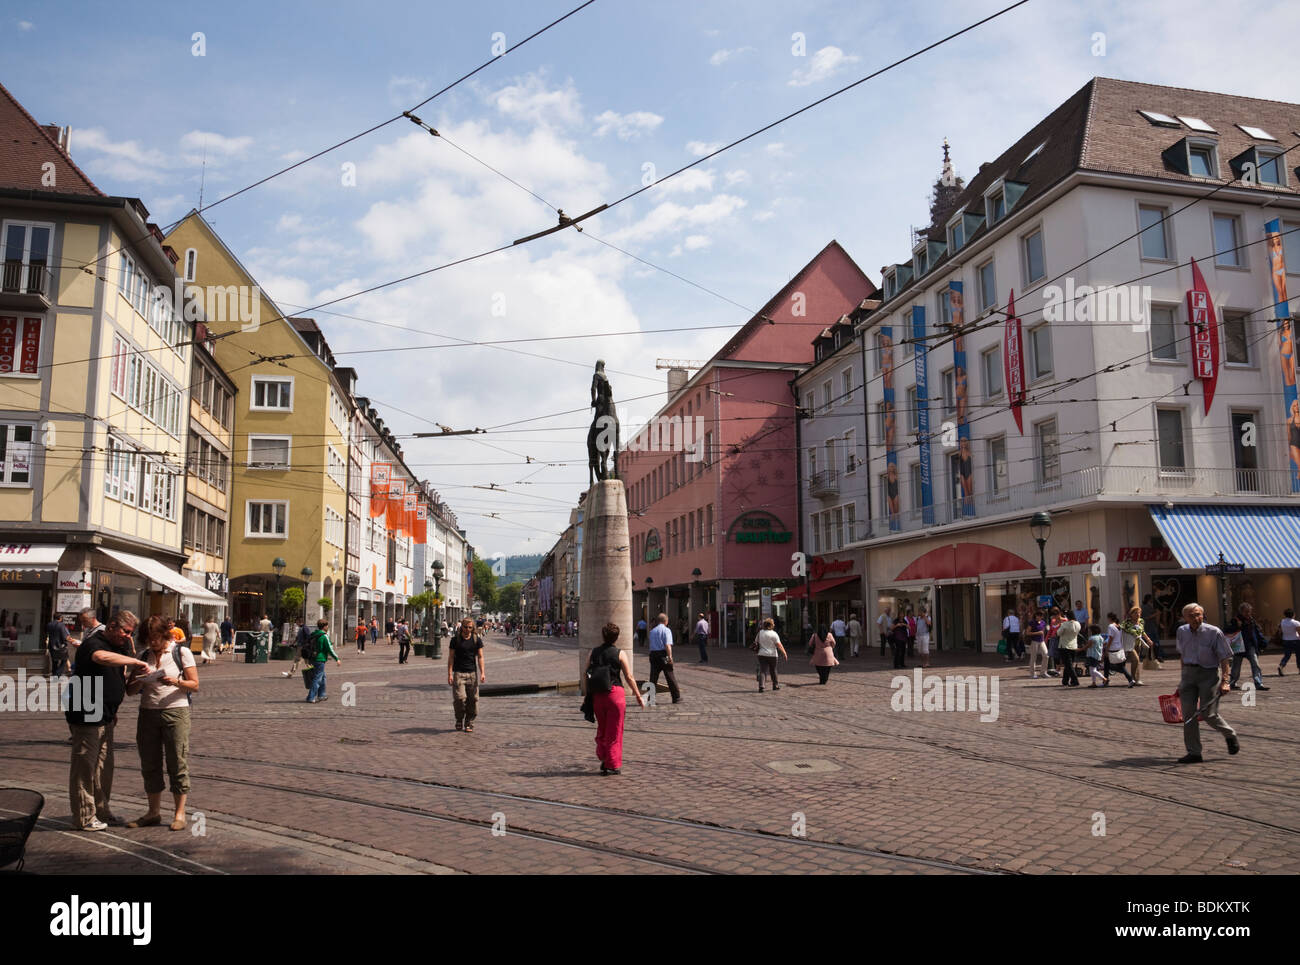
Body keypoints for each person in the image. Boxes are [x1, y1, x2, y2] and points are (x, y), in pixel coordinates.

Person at [66, 611, 149, 831]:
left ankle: (102, 811)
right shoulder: (94, 642)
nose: (128, 637)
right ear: (112, 626)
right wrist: (134, 660)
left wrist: (141, 678)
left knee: (104, 768)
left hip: (106, 714)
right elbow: (100, 658)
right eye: (126, 632)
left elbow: (124, 684)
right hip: (86, 712)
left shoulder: (120, 646)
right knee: (85, 767)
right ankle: (84, 816)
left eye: (131, 633)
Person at [124, 615, 199, 831]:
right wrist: (138, 677)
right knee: (150, 763)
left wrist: (175, 681)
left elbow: (194, 685)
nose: (153, 643)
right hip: (148, 712)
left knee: (177, 761)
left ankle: (179, 813)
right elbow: (130, 692)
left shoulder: (180, 652)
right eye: (149, 639)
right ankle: (153, 812)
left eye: (156, 638)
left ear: (164, 635)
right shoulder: (143, 655)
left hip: (175, 712)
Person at [1174, 603, 1238, 763]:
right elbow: (1182, 655)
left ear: (1203, 615)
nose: (1196, 618)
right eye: (1191, 615)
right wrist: (1182, 679)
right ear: (1185, 618)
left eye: (1198, 614)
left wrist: (1225, 681)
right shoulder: (1182, 631)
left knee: (1208, 714)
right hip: (1188, 675)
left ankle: (1229, 734)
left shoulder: (1214, 632)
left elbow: (1225, 658)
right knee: (1188, 716)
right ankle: (1194, 752)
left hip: (1208, 675)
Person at [584, 623, 646, 776]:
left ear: (602, 636)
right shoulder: (619, 653)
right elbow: (629, 676)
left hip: (598, 695)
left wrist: (588, 694)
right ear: (616, 637)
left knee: (603, 728)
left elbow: (586, 673)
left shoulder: (593, 652)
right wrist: (638, 695)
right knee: (615, 730)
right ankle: (611, 763)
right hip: (615, 694)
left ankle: (603, 755)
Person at [447, 618, 485, 731]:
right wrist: (449, 674)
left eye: (470, 627)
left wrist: (482, 672)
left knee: (473, 699)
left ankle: (469, 722)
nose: (467, 630)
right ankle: (459, 719)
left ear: (472, 628)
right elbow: (451, 657)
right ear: (461, 627)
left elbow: (480, 657)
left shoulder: (476, 639)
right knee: (459, 698)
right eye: (465, 627)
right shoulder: (455, 640)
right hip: (458, 673)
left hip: (472, 673)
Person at [1225, 603, 1269, 691]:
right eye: (1246, 612)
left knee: (1255, 664)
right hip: (1239, 647)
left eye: (1249, 612)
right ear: (1241, 612)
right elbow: (1226, 630)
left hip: (1250, 646)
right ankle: (1232, 682)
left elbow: (1257, 632)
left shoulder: (1251, 620)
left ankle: (1258, 683)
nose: (1248, 614)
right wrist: (1237, 626)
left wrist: (1263, 643)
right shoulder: (1235, 620)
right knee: (1236, 666)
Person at [647, 613, 681, 703]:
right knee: (670, 674)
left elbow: (650, 645)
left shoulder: (652, 631)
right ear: (666, 621)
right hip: (663, 655)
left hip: (654, 655)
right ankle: (676, 697)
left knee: (653, 677)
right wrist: (670, 657)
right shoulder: (666, 630)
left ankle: (651, 699)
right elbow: (667, 645)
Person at [305, 619, 340, 703]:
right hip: (320, 659)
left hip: (312, 658)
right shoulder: (324, 636)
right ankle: (311, 697)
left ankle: (322, 695)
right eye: (327, 626)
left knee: (322, 677)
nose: (328, 627)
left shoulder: (314, 634)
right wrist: (337, 658)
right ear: (324, 626)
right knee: (317, 678)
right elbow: (329, 648)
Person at [1120, 606, 1153, 687]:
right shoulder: (1126, 622)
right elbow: (1120, 628)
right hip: (1129, 645)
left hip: (1138, 644)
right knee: (1136, 660)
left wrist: (1148, 639)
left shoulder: (1141, 621)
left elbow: (1142, 632)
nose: (1138, 614)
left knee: (1136, 662)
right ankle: (1132, 678)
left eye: (1139, 613)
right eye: (1135, 613)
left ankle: (1137, 679)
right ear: (1131, 614)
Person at [1104, 612, 1135, 686]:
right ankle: (1130, 679)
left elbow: (1110, 638)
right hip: (1119, 647)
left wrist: (1107, 649)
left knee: (1108, 665)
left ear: (1110, 618)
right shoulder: (1119, 626)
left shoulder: (1111, 626)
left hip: (1112, 648)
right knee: (1109, 665)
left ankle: (1106, 681)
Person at [1056, 613, 1081, 686]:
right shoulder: (1078, 624)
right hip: (1074, 646)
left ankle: (1075, 680)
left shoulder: (1064, 624)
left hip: (1064, 646)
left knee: (1068, 665)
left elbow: (1058, 633)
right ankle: (1065, 680)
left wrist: (1060, 626)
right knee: (1068, 664)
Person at [1140, 594, 1163, 663]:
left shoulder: (1150, 606)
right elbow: (1146, 617)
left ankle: (1155, 656)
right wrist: (1156, 614)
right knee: (1151, 642)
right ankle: (1153, 656)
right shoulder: (1145, 607)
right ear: (1149, 599)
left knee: (1154, 642)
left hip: (1152, 626)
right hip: (1149, 627)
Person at [1026, 610, 1048, 678]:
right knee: (1033, 657)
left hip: (1042, 641)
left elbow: (1043, 632)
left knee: (1046, 655)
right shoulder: (1032, 622)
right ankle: (1032, 674)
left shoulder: (1043, 622)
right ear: (1036, 615)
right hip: (1034, 641)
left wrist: (1044, 640)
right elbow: (1027, 633)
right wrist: (1037, 633)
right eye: (1039, 615)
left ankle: (1043, 672)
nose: (1040, 617)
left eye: (1041, 616)